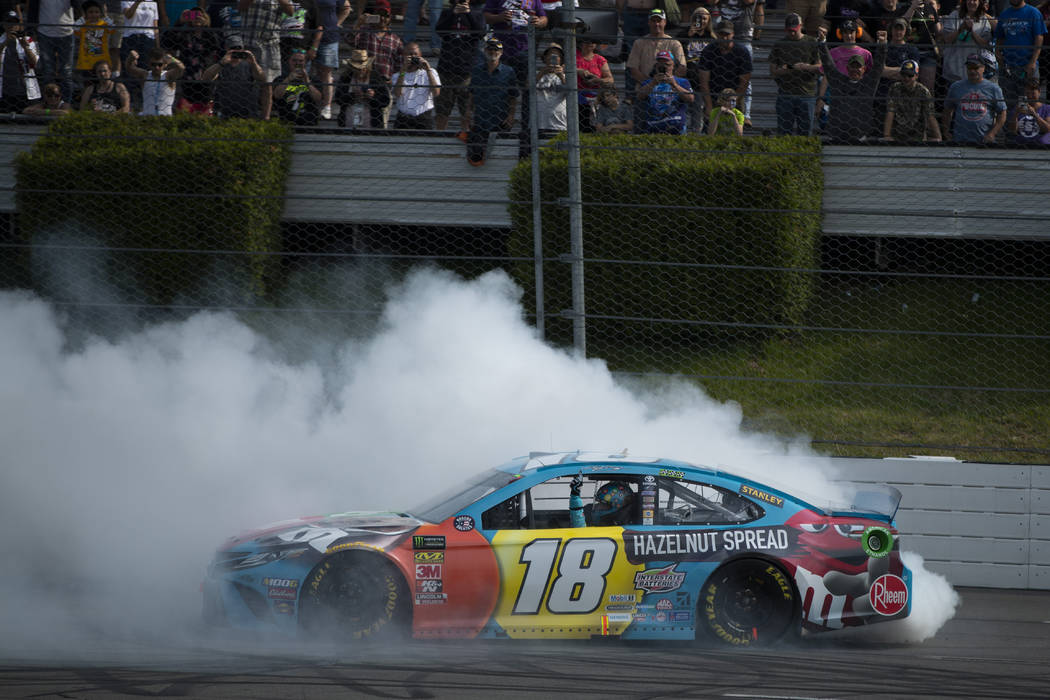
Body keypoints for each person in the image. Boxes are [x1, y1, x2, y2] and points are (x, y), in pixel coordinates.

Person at [483, 0, 546, 148]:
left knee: (527, 90)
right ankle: (501, 126)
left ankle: (526, 127)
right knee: (500, 90)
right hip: (501, 51)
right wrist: (499, 17)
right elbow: (485, 16)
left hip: (525, 49)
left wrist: (538, 22)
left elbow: (544, 18)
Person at [817, 30, 887, 141]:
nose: (855, 70)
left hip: (860, 136)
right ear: (847, 68)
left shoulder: (868, 84)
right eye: (852, 67)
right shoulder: (838, 82)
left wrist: (882, 44)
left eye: (858, 67)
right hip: (835, 135)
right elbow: (828, 64)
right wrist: (822, 42)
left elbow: (878, 66)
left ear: (864, 69)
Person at [351, 0, 403, 128]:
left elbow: (399, 64)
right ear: (373, 15)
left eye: (385, 15)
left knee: (381, 124)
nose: (382, 18)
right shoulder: (363, 31)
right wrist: (358, 24)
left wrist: (393, 79)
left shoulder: (395, 39)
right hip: (363, 83)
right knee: (358, 124)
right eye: (378, 14)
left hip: (383, 87)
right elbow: (349, 40)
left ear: (389, 18)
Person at [712, 0, 764, 127]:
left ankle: (746, 114)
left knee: (746, 77)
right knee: (720, 73)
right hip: (722, 35)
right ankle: (719, 109)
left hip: (743, 36)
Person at [466, 37, 516, 166]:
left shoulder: (508, 72)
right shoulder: (477, 70)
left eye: (496, 49)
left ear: (501, 52)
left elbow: (513, 96)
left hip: (500, 119)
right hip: (480, 119)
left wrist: (511, 115)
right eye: (490, 49)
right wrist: (468, 113)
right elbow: (471, 93)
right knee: (476, 153)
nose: (493, 52)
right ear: (484, 50)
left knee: (500, 155)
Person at [769, 12, 821, 135]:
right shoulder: (779, 44)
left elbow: (820, 67)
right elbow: (773, 70)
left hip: (807, 94)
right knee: (783, 133)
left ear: (801, 26)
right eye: (789, 31)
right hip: (785, 94)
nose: (792, 33)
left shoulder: (812, 42)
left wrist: (806, 67)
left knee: (805, 133)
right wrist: (792, 67)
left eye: (794, 30)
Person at [239, 0, 292, 120]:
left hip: (270, 44)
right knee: (246, 82)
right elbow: (241, 7)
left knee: (268, 83)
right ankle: (246, 116)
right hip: (248, 42)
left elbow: (290, 12)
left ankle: (265, 118)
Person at [433, 0, 479, 134]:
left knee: (466, 111)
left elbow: (480, 33)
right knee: (442, 110)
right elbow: (440, 31)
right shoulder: (447, 13)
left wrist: (468, 14)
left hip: (467, 71)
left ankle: (466, 136)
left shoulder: (476, 13)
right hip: (446, 69)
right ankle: (440, 136)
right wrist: (453, 14)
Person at [942, 51, 1007, 142]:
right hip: (960, 141)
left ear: (983, 68)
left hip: (984, 141)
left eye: (976, 68)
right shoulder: (956, 87)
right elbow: (947, 110)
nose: (972, 71)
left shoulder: (994, 89)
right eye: (969, 68)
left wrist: (992, 133)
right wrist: (946, 132)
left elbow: (1002, 113)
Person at [994, 0, 1045, 113]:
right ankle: (1010, 129)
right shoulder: (1004, 14)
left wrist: (1033, 61)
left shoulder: (1033, 12)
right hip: (1008, 68)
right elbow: (999, 38)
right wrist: (998, 54)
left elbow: (1039, 38)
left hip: (1027, 67)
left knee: (1030, 102)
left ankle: (1031, 129)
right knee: (1009, 103)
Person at [697, 19, 751, 125]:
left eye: (727, 34)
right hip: (713, 96)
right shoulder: (709, 51)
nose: (724, 37)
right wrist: (708, 106)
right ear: (717, 34)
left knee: (735, 129)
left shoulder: (742, 51)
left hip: (735, 96)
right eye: (721, 34)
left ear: (733, 34)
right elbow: (703, 81)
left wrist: (733, 102)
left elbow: (744, 82)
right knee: (711, 130)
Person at [168, 7, 220, 113]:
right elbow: (168, 41)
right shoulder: (184, 34)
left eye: (200, 15)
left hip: (205, 77)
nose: (197, 18)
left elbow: (216, 45)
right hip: (187, 78)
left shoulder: (209, 34)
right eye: (193, 15)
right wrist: (179, 22)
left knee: (204, 108)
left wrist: (205, 27)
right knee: (186, 108)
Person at [306, 0, 349, 120]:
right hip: (307, 35)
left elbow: (346, 7)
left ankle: (327, 106)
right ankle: (304, 102)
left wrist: (337, 24)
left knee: (326, 72)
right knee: (304, 71)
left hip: (329, 36)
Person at [203, 37, 265, 117]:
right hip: (224, 111)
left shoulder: (249, 64)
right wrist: (221, 63)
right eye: (233, 48)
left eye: (238, 48)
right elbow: (206, 78)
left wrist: (254, 63)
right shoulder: (221, 65)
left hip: (247, 112)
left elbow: (262, 79)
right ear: (226, 48)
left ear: (243, 49)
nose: (236, 51)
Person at [28, 0, 76, 104]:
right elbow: (33, 8)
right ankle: (47, 103)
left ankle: (66, 104)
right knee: (47, 72)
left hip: (66, 31)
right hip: (45, 31)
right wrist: (31, 29)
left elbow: (78, 5)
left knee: (66, 72)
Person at [883, 57, 941, 140]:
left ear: (917, 76)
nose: (906, 78)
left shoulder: (923, 91)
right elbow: (890, 112)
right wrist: (887, 135)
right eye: (904, 74)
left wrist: (938, 137)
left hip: (918, 136)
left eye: (910, 75)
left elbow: (930, 115)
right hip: (898, 135)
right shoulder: (895, 88)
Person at [638, 48, 693, 133]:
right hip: (654, 126)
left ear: (673, 66)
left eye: (667, 64)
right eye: (660, 65)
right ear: (656, 66)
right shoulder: (648, 82)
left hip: (675, 125)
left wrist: (674, 84)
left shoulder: (682, 82)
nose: (664, 67)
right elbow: (639, 96)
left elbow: (691, 98)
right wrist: (653, 83)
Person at [940, 0, 995, 86]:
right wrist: (960, 29)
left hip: (975, 72)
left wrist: (971, 31)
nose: (971, 2)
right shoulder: (954, 15)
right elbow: (947, 40)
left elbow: (985, 44)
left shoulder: (983, 19)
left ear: (979, 2)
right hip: (954, 71)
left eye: (975, 0)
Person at [335, 47, 389, 127]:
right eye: (357, 68)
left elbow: (385, 101)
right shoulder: (345, 78)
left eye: (363, 68)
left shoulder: (375, 77)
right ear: (352, 67)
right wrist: (352, 96)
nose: (361, 70)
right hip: (348, 126)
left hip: (371, 127)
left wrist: (373, 96)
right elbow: (338, 99)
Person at [391, 41, 440, 129]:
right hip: (403, 118)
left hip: (424, 117)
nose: (413, 57)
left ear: (420, 55)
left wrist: (428, 70)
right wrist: (403, 71)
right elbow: (397, 94)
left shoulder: (431, 72)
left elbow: (436, 92)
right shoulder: (397, 75)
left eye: (415, 54)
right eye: (410, 54)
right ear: (403, 56)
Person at [618, 0, 660, 98]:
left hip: (652, 12)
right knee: (631, 54)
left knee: (651, 52)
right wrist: (621, 15)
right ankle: (630, 94)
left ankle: (652, 90)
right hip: (631, 12)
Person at [0, 10, 39, 112]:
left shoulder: (28, 40)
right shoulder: (0, 41)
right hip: (4, 92)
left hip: (25, 92)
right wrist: (5, 43)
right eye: (9, 22)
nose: (12, 26)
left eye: (15, 23)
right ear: (4, 25)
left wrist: (25, 47)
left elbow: (35, 63)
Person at [74, 0, 116, 87]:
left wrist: (105, 16)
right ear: (86, 13)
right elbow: (74, 28)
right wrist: (83, 18)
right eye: (90, 12)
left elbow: (112, 28)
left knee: (101, 85)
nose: (94, 14)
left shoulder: (104, 24)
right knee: (88, 86)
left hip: (101, 62)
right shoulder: (83, 25)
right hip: (86, 63)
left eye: (97, 12)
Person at [575, 35, 613, 133]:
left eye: (593, 41)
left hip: (595, 98)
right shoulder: (573, 56)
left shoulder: (599, 59)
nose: (590, 43)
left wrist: (597, 80)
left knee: (594, 127)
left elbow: (610, 79)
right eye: (587, 41)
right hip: (576, 97)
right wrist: (579, 71)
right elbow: (563, 68)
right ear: (580, 43)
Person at [273, 46, 320, 123]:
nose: (297, 63)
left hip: (309, 122)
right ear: (289, 61)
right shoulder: (280, 79)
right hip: (286, 122)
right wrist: (288, 79)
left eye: (301, 61)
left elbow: (318, 99)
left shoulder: (314, 79)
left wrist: (307, 81)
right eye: (294, 60)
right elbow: (277, 95)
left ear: (305, 62)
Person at [569, 475, 636, 528]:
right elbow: (578, 522)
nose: (598, 507)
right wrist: (575, 496)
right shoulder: (589, 515)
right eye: (599, 502)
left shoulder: (629, 530)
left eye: (604, 504)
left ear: (618, 509)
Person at [1010, 76, 1050, 144]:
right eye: (1027, 93)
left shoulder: (1047, 108)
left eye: (1033, 93)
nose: (1030, 96)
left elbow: (1048, 129)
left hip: (1039, 143)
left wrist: (1034, 114)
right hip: (1021, 143)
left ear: (1039, 92)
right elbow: (1012, 131)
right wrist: (1016, 114)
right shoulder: (1018, 108)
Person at [121, 0, 158, 72]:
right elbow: (128, 15)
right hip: (131, 38)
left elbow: (155, 26)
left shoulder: (153, 3)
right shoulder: (126, 1)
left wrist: (157, 45)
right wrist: (137, 2)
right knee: (130, 68)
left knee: (146, 68)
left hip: (148, 39)